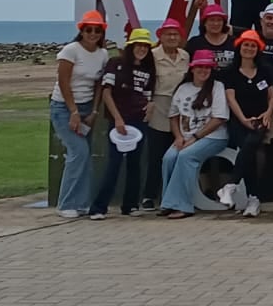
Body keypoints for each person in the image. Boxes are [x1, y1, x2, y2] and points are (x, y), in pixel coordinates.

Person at [89, 27, 156, 219]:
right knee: (115, 163)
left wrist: (150, 107)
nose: (142, 49)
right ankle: (99, 207)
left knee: (135, 164)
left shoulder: (148, 69)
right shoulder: (116, 63)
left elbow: (148, 94)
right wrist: (117, 118)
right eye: (139, 45)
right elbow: (107, 92)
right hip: (119, 120)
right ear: (131, 46)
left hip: (139, 120)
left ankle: (130, 205)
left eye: (145, 46)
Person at [49, 11, 110, 217]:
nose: (92, 34)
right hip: (63, 108)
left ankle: (81, 202)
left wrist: (93, 110)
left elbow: (98, 85)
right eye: (88, 30)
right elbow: (64, 82)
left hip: (86, 107)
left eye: (97, 30)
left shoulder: (102, 54)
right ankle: (66, 203)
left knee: (85, 156)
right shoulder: (70, 51)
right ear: (81, 31)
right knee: (78, 153)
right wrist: (73, 111)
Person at [159, 49, 230, 220]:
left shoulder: (217, 87)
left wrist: (195, 138)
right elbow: (173, 116)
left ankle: (182, 205)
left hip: (213, 137)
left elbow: (219, 118)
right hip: (185, 137)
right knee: (169, 157)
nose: (204, 70)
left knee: (186, 157)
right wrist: (178, 137)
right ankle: (168, 202)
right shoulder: (183, 88)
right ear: (192, 69)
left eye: (207, 67)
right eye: (200, 67)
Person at [217, 30, 273, 217]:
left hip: (261, 119)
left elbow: (272, 97)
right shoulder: (230, 72)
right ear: (239, 47)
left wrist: (267, 113)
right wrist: (243, 119)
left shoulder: (265, 70)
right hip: (239, 120)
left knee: (250, 144)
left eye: (253, 45)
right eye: (246, 45)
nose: (249, 48)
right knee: (248, 152)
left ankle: (230, 185)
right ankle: (253, 198)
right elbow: (230, 99)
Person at [142, 18, 188, 211]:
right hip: (159, 105)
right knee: (156, 155)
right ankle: (149, 195)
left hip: (182, 107)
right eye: (168, 34)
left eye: (175, 34)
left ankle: (174, 194)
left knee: (180, 154)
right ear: (160, 36)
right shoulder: (151, 55)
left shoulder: (185, 56)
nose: (171, 37)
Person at [187, 3, 236, 71]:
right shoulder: (194, 43)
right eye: (212, 20)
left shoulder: (234, 42)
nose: (216, 23)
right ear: (204, 23)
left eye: (219, 20)